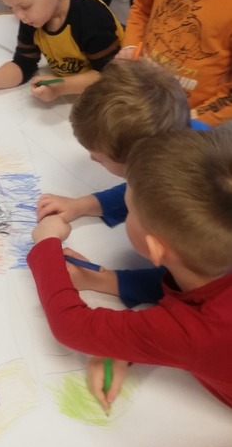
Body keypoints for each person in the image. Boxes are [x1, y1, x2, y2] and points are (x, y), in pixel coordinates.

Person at [28, 128, 232, 413]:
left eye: (128, 209)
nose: (126, 209)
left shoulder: (197, 331)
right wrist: (103, 280)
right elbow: (194, 283)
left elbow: (70, 325)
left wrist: (47, 243)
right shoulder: (216, 253)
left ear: (154, 247)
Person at [37, 59, 209, 227]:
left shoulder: (179, 202)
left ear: (138, 165)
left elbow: (139, 192)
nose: (92, 159)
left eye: (101, 160)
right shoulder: (179, 128)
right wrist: (81, 205)